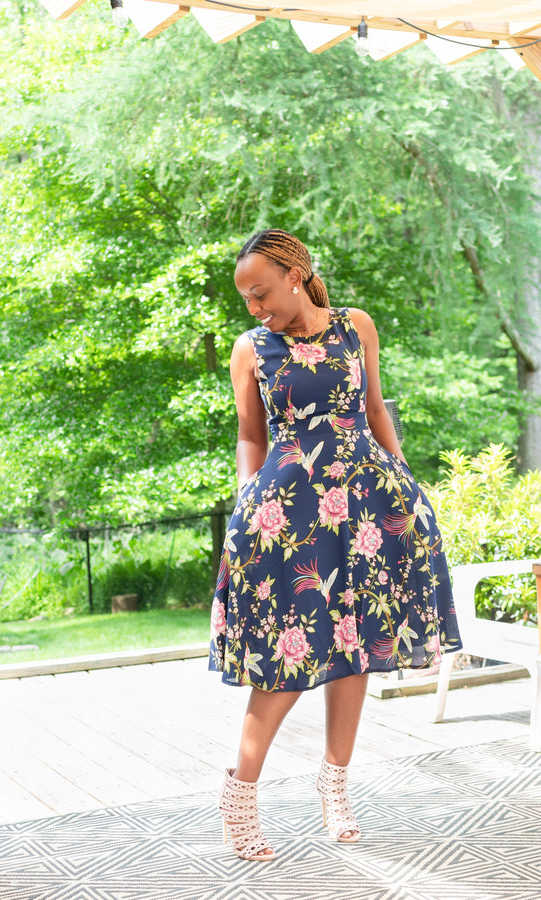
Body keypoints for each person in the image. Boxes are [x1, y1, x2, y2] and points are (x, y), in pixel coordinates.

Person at [208, 229, 462, 861]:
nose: (254, 307)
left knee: (357, 645)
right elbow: (250, 437)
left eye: (261, 292)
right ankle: (239, 796)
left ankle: (335, 787)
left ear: (295, 274)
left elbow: (376, 412)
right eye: (245, 297)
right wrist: (248, 500)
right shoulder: (251, 349)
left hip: (367, 506)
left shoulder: (357, 327)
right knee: (286, 660)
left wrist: (406, 482)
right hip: (287, 515)